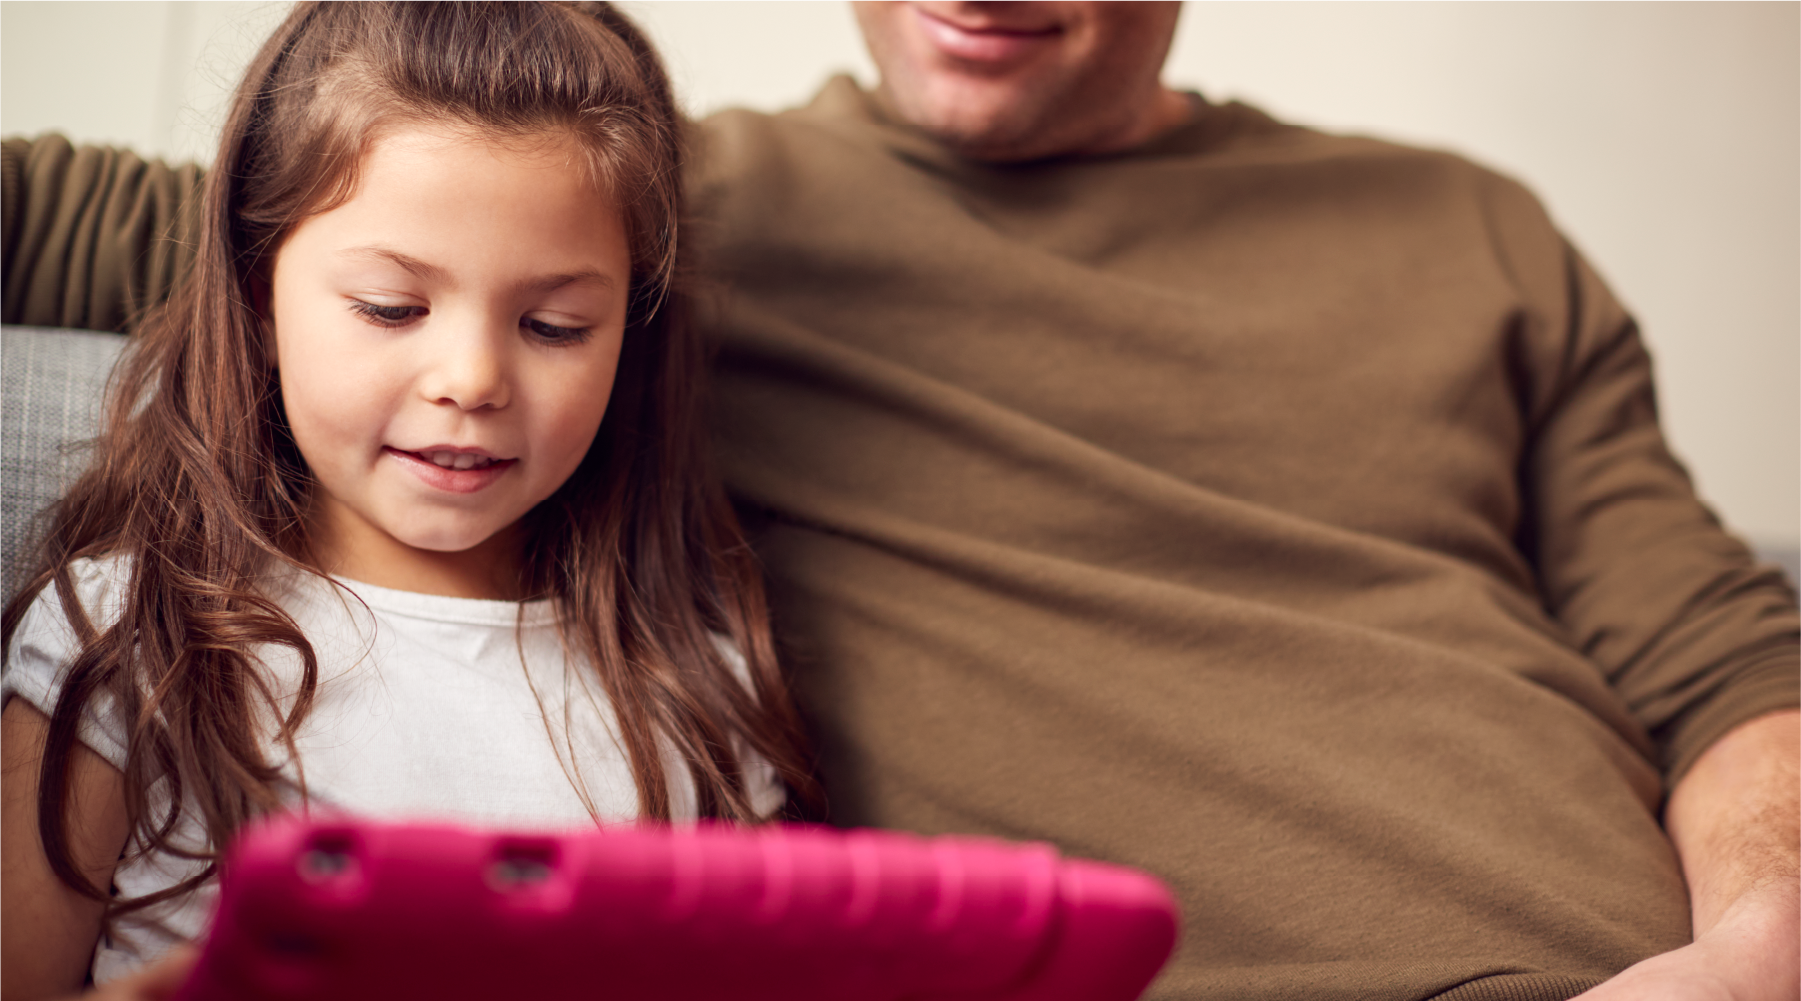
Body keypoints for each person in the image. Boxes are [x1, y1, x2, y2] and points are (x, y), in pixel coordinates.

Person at [3, 1, 1800, 999]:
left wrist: (1753, 947)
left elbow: (1722, 648)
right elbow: (273, 232)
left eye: (555, 326)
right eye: (417, 313)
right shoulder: (618, 201)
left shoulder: (1463, 225)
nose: (478, 367)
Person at [0, 1, 814, 997]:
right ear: (260, 301)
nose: (471, 378)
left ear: (627, 337)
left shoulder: (694, 690)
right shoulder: (135, 638)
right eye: (393, 308)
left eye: (555, 325)